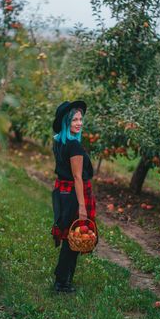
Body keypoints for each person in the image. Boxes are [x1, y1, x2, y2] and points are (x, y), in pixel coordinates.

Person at [51, 100, 97, 293]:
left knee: (70, 236)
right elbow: (77, 177)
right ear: (66, 123)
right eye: (74, 120)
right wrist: (82, 207)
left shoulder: (59, 142)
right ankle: (62, 282)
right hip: (73, 195)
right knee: (74, 238)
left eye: (80, 119)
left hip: (62, 193)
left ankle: (65, 279)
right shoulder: (75, 147)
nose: (79, 123)